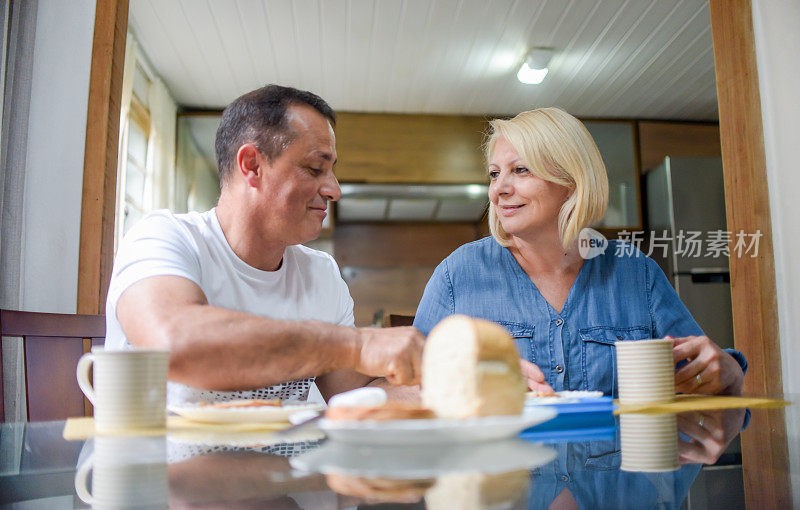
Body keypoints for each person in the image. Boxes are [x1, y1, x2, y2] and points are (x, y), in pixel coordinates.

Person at [106, 84, 424, 405]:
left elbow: (352, 394)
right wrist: (357, 345)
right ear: (252, 165)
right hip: (155, 456)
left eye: (331, 172)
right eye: (315, 168)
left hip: (284, 457)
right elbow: (174, 344)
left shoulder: (320, 273)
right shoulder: (162, 238)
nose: (334, 190)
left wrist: (440, 389)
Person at [413, 108, 746, 397]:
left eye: (521, 170)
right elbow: (401, 386)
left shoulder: (636, 272)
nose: (499, 189)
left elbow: (703, 373)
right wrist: (457, 383)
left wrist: (727, 370)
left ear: (571, 181)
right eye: (495, 173)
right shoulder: (458, 274)